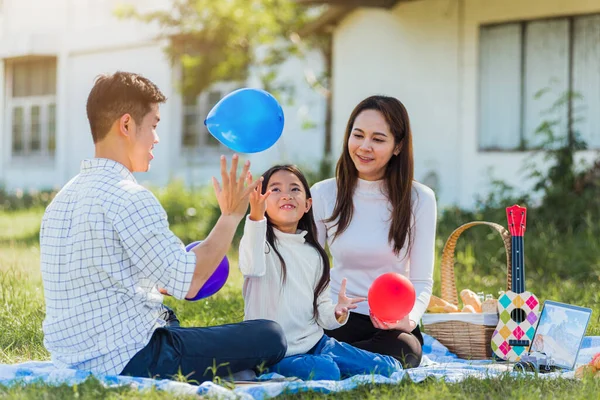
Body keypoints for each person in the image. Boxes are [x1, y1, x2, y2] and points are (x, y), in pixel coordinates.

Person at [39, 71, 286, 383]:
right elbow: (192, 282)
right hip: (135, 358)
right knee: (270, 335)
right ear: (126, 125)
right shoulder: (130, 196)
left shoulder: (61, 199)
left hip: (72, 358)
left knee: (174, 324)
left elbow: (98, 278)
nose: (156, 138)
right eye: (153, 126)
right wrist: (230, 216)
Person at [239, 164, 402, 380]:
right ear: (262, 201)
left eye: (295, 189)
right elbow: (251, 265)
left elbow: (322, 311)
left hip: (317, 343)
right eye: (276, 189)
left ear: (307, 205)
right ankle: (274, 369)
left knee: (390, 367)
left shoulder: (314, 254)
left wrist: (337, 312)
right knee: (327, 371)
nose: (286, 195)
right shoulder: (259, 244)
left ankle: (330, 362)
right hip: (276, 352)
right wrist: (256, 217)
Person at [311, 95, 437, 368]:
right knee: (311, 338)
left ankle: (326, 360)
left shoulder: (420, 199)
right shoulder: (323, 193)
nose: (364, 147)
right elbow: (310, 269)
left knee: (406, 351)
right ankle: (343, 358)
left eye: (378, 139)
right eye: (358, 135)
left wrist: (410, 319)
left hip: (391, 324)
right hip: (338, 316)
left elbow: (422, 280)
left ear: (397, 147)